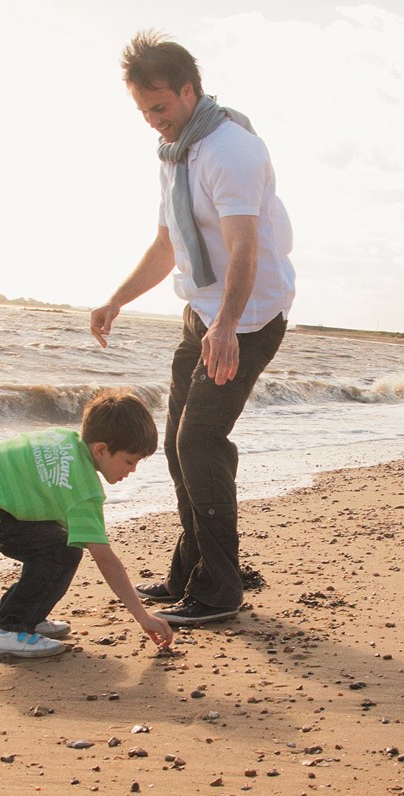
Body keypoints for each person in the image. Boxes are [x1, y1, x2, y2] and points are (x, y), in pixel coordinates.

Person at [90, 31, 295, 626]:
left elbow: (244, 248)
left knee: (199, 442)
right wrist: (117, 300)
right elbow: (167, 243)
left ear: (188, 90)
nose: (152, 121)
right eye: (143, 111)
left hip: (248, 318)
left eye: (159, 107)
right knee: (179, 447)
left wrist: (228, 326)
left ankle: (219, 591)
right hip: (203, 315)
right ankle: (191, 571)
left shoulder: (231, 150)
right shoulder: (178, 154)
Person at [0, 389, 174, 658]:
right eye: (129, 461)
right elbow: (105, 558)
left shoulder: (64, 439)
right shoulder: (84, 491)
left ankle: (29, 616)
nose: (132, 470)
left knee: (57, 542)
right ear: (101, 449)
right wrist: (142, 616)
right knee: (59, 551)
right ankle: (7, 629)